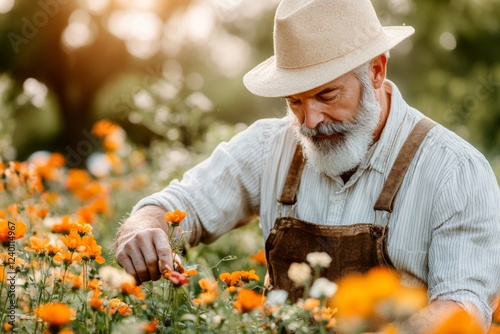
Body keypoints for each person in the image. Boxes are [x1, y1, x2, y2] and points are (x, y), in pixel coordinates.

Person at [114, 0, 500, 332]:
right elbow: (180, 205)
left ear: (377, 71)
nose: (310, 121)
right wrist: (146, 227)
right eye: (294, 102)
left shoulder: (453, 170)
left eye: (326, 95)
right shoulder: (270, 146)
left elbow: (462, 309)